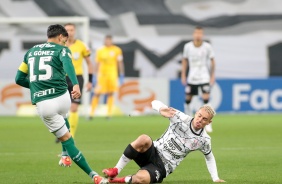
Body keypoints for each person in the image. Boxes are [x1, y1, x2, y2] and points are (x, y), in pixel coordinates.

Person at [15, 24, 106, 184]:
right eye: (65, 40)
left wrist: (37, 86)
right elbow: (68, 65)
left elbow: (18, 78)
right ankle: (66, 157)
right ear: (60, 37)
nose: (65, 43)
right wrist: (76, 85)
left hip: (45, 104)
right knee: (65, 117)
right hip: (63, 96)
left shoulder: (30, 52)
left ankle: (94, 176)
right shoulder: (62, 49)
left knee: (67, 139)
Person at [100, 100, 225, 183]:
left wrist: (215, 178)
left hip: (163, 166)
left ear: (209, 122)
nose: (200, 120)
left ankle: (116, 181)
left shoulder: (204, 140)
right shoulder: (179, 116)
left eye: (204, 119)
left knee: (141, 179)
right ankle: (115, 170)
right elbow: (154, 102)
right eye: (199, 115)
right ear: (196, 113)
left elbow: (209, 157)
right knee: (144, 138)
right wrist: (161, 109)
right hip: (153, 150)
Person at [181, 26, 215, 133]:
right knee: (188, 99)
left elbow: (212, 61)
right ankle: (187, 120)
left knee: (206, 98)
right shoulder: (188, 47)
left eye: (200, 33)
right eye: (196, 33)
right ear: (194, 34)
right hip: (192, 77)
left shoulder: (207, 47)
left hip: (204, 76)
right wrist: (183, 75)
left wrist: (212, 76)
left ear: (202, 35)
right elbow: (185, 61)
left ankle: (208, 124)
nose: (198, 35)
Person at [63, 23, 93, 138]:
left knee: (74, 107)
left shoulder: (81, 45)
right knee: (62, 108)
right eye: (67, 30)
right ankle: (63, 131)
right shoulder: (60, 45)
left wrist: (90, 81)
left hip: (77, 78)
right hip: (62, 78)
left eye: (71, 30)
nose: (69, 32)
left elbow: (90, 63)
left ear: (75, 31)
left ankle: (71, 136)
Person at [90, 35, 124, 118]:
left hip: (112, 75)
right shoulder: (100, 50)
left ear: (112, 41)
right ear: (105, 41)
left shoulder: (117, 50)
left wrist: (122, 75)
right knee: (97, 93)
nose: (108, 42)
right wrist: (94, 75)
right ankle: (91, 113)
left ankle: (109, 114)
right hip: (102, 75)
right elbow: (97, 63)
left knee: (110, 93)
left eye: (109, 40)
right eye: (107, 40)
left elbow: (120, 63)